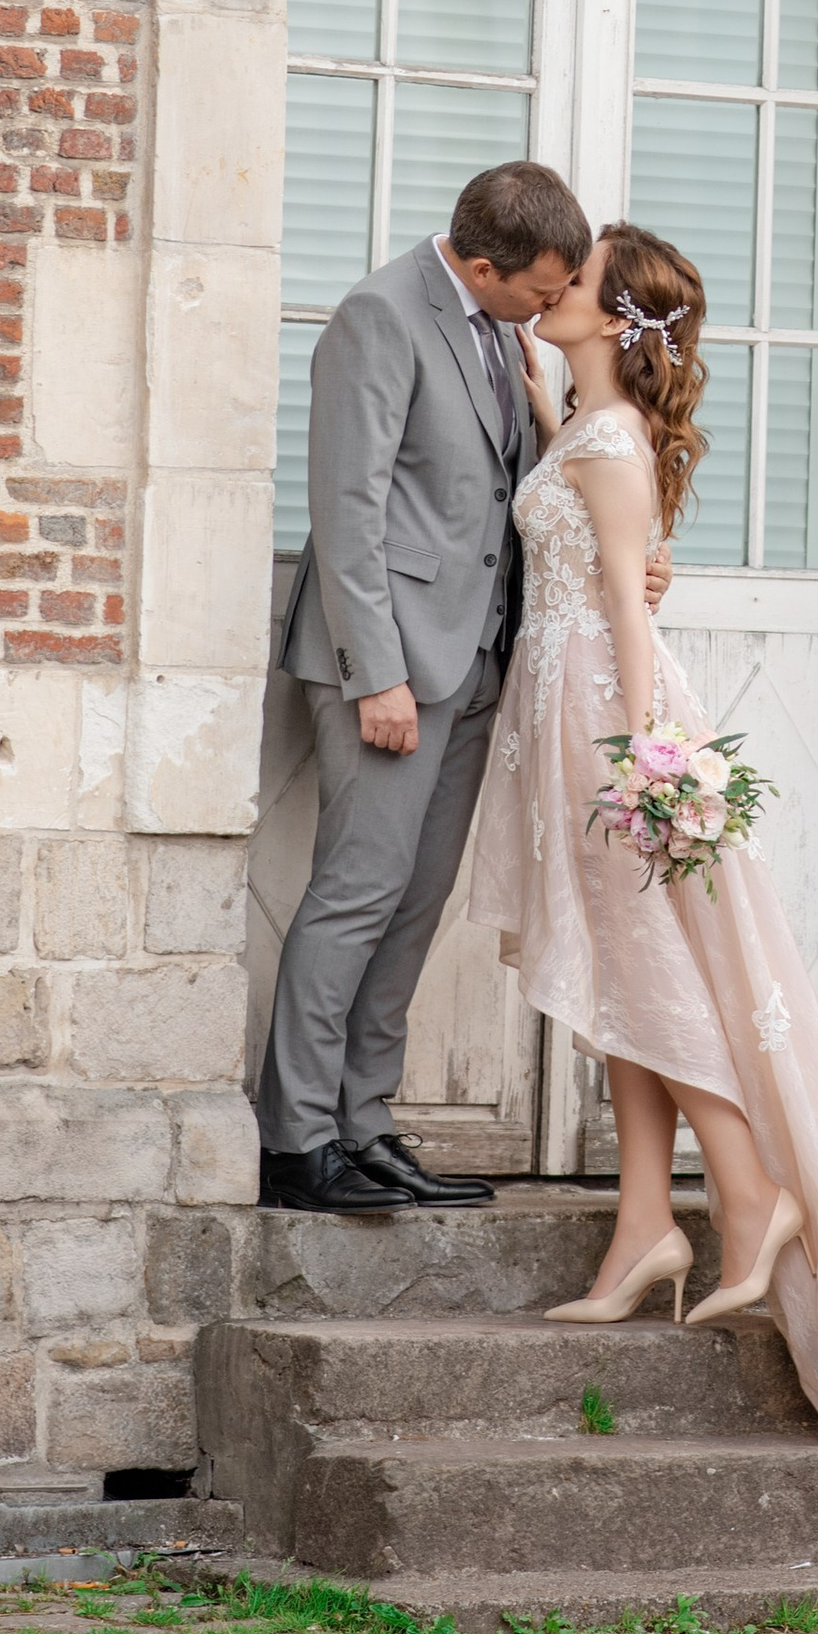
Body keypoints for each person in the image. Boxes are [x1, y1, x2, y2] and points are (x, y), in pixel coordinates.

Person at [469, 221, 818, 1518]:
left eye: (577, 281)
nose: (554, 291)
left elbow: (623, 595)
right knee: (628, 969)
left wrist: (642, 754)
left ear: (613, 317)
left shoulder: (607, 448)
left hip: (609, 713)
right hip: (571, 704)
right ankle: (643, 1228)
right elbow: (572, 457)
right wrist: (523, 363)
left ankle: (750, 1186)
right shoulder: (583, 419)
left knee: (656, 967)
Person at [261, 160, 627, 1216]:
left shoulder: (503, 334)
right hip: (388, 669)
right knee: (357, 892)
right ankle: (297, 1141)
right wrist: (375, 674)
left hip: (476, 662)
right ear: (479, 263)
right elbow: (348, 506)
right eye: (540, 288)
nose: (554, 304)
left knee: (415, 904)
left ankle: (364, 1122)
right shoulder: (379, 317)